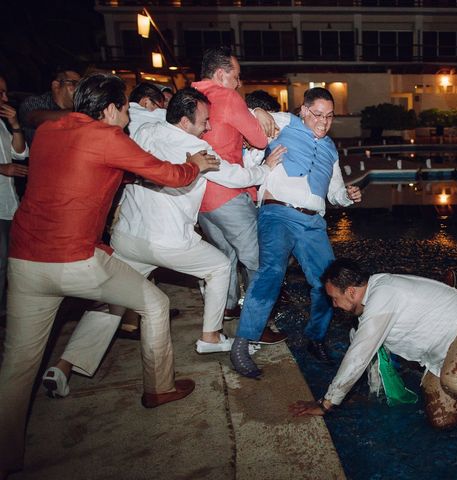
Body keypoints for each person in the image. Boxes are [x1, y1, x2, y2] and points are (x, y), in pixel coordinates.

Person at [0, 73, 219, 478]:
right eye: (124, 109)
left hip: (25, 261)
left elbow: (86, 169)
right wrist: (193, 164)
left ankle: (5, 457)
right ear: (111, 108)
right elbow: (170, 176)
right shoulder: (108, 136)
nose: (127, 118)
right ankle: (159, 388)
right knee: (154, 303)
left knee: (17, 367)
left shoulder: (48, 132)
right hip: (75, 260)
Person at [40, 88, 285, 398]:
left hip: (129, 236)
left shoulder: (144, 128)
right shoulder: (197, 148)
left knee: (113, 301)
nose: (209, 127)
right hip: (168, 241)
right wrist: (267, 168)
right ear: (184, 122)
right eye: (204, 121)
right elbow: (236, 177)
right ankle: (210, 335)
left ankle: (62, 366)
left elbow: (140, 109)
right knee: (220, 266)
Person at [289, 258, 457, 431]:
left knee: (455, 376)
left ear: (350, 292)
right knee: (442, 420)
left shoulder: (383, 294)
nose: (334, 305)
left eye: (334, 298)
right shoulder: (365, 315)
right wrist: (360, 397)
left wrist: (326, 404)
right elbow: (370, 365)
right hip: (439, 357)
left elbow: (357, 356)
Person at [230, 87, 362, 378]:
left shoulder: (330, 149)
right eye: (317, 114)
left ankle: (315, 338)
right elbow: (247, 115)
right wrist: (260, 111)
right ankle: (242, 342)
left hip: (313, 222)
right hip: (277, 212)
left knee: (328, 283)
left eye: (329, 116)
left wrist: (347, 196)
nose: (323, 122)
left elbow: (335, 192)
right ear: (303, 110)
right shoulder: (286, 123)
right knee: (272, 273)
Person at [192, 47, 284, 344]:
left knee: (226, 256)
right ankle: (256, 327)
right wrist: (257, 112)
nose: (239, 83)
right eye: (236, 77)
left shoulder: (191, 97)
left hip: (199, 196)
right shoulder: (228, 96)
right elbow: (258, 138)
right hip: (227, 194)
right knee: (260, 261)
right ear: (221, 75)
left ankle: (229, 306)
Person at [0, 75, 29, 311]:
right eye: (0, 93)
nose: (5, 98)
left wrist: (15, 124)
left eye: (5, 92)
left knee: (10, 262)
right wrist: (2, 168)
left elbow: (19, 153)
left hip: (10, 204)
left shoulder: (2, 123)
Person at [18, 67, 81, 145]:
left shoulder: (78, 107)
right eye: (75, 83)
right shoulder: (34, 103)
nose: (79, 90)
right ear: (56, 85)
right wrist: (84, 111)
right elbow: (35, 119)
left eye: (81, 86)